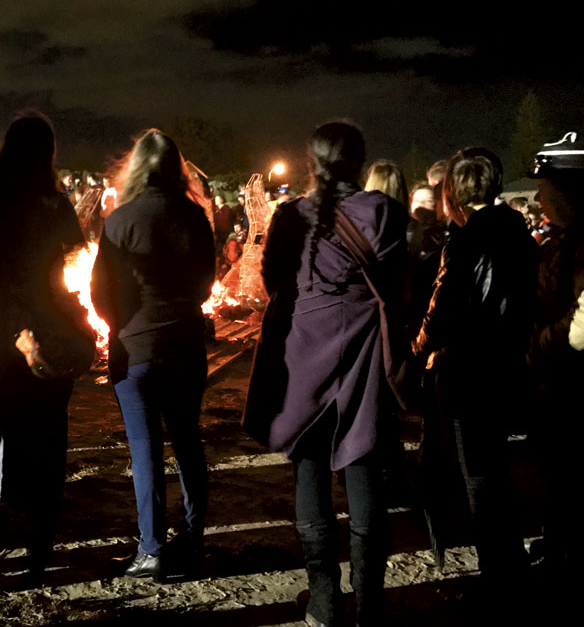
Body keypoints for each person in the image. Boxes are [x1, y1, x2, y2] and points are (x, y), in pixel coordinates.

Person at [243, 122, 408, 626]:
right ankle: (371, 602)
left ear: (311, 163)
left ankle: (323, 599)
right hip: (362, 352)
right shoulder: (384, 212)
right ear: (359, 162)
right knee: (363, 468)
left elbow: (274, 284)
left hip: (303, 352)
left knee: (309, 468)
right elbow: (400, 283)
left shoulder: (292, 216)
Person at [413, 148, 537, 615]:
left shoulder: (463, 242)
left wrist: (418, 348)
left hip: (471, 371)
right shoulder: (521, 236)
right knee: (499, 472)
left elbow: (441, 308)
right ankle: (511, 569)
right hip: (511, 368)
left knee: (480, 480)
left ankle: (499, 582)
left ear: (454, 194)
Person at [90, 129, 215, 581]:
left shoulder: (122, 220)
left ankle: (151, 548)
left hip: (136, 348)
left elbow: (99, 292)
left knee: (145, 450)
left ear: (137, 168)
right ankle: (194, 537)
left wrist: (122, 323)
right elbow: (205, 285)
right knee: (187, 442)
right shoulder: (196, 218)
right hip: (185, 344)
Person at [0, 109, 84, 581]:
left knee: (2, 418)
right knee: (49, 429)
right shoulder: (55, 205)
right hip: (49, 325)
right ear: (48, 155)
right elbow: (73, 258)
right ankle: (41, 530)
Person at [527, 132, 584, 590]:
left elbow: (582, 325)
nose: (540, 198)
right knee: (556, 465)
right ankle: (558, 536)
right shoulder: (564, 240)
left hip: (572, 377)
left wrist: (544, 340)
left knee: (570, 465)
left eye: (545, 189)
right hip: (556, 379)